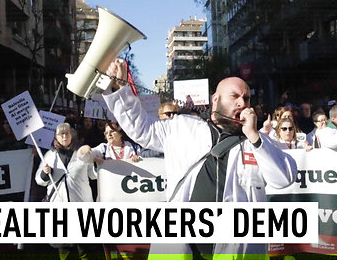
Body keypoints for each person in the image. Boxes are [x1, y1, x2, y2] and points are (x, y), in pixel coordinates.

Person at [103, 59, 296, 258]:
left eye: (246, 99)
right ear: (215, 99)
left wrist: (254, 137)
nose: (242, 103)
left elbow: (283, 178)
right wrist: (121, 90)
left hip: (238, 250)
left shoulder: (258, 140)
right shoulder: (184, 126)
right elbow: (141, 128)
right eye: (234, 96)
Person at [34, 123, 104, 259]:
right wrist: (44, 172)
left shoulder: (81, 154)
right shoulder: (49, 156)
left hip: (81, 202)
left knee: (82, 242)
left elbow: (93, 175)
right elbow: (39, 181)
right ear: (56, 137)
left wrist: (98, 163)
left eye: (67, 133)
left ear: (72, 136)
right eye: (61, 134)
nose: (64, 136)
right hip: (59, 203)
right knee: (62, 243)